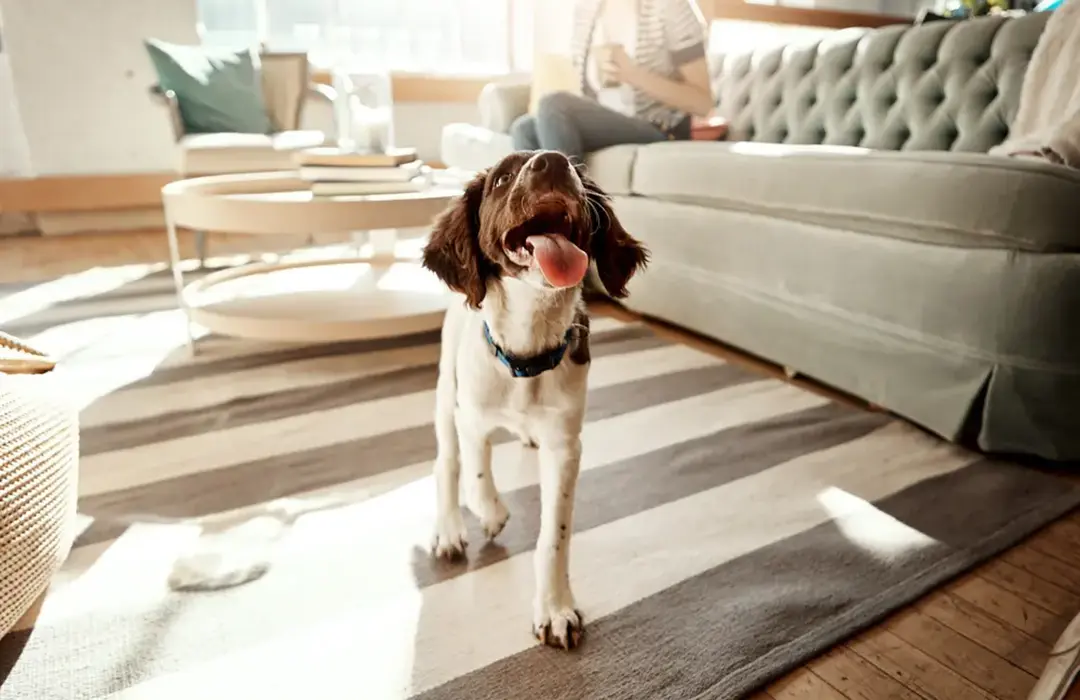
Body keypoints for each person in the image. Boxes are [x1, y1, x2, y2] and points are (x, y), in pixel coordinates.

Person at [510, 0, 714, 161]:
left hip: (661, 129)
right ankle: (539, 212)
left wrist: (632, 74)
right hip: (607, 122)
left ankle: (574, 210)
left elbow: (702, 103)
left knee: (554, 104)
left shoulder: (670, 5)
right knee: (524, 128)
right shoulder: (587, 9)